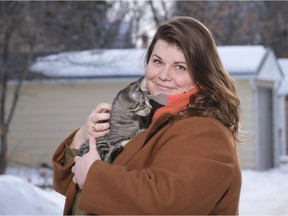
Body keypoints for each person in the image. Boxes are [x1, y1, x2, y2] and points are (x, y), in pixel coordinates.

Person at [52, 16, 242, 215]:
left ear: (202, 75)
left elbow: (169, 205)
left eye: (180, 67)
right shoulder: (141, 116)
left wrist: (94, 176)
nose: (163, 75)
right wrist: (83, 137)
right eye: (157, 61)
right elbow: (75, 189)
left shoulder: (206, 131)